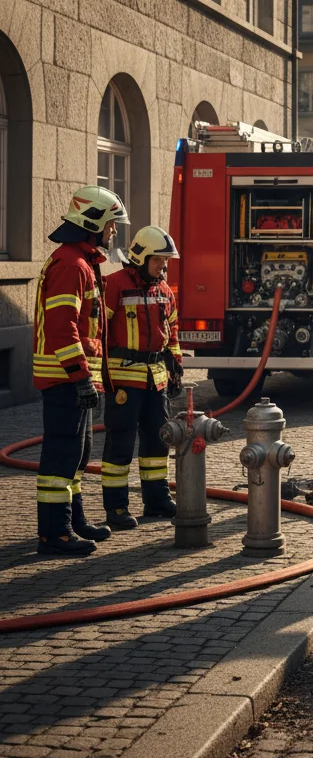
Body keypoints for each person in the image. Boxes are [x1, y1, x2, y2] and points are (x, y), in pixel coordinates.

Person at [33, 185, 130, 556]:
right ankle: (54, 534)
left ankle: (73, 521)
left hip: (74, 378)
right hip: (64, 379)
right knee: (61, 456)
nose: (114, 231)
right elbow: (63, 328)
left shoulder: (82, 262)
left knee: (78, 452)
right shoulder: (71, 266)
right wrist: (81, 376)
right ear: (92, 222)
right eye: (111, 223)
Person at [101, 226, 183, 528]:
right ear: (141, 257)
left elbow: (171, 330)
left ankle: (157, 499)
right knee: (120, 443)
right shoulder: (114, 285)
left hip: (156, 380)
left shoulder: (163, 291)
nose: (163, 266)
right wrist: (102, 377)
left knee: (158, 441)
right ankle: (116, 507)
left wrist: (175, 361)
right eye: (159, 260)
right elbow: (100, 332)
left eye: (165, 261)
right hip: (124, 380)